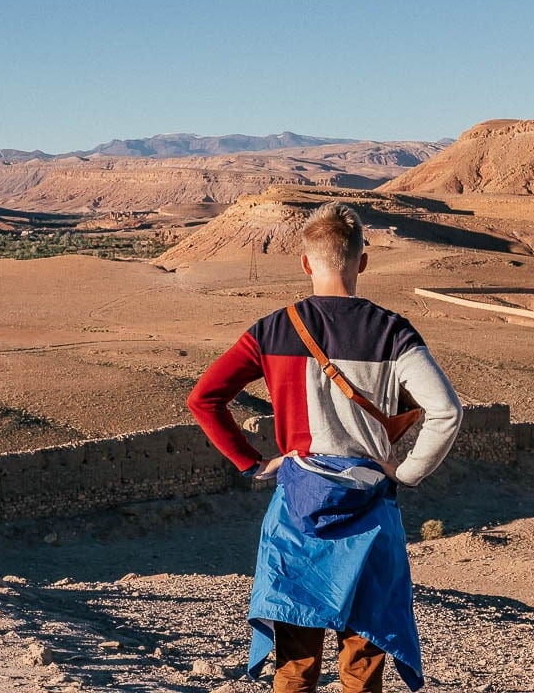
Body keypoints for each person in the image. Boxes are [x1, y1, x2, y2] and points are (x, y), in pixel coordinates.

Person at [187, 202, 463, 693]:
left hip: (298, 511)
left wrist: (252, 462)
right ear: (362, 262)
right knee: (363, 665)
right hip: (371, 515)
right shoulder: (393, 333)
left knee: (294, 667)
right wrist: (407, 471)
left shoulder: (272, 330)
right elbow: (447, 412)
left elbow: (204, 398)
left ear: (306, 262)